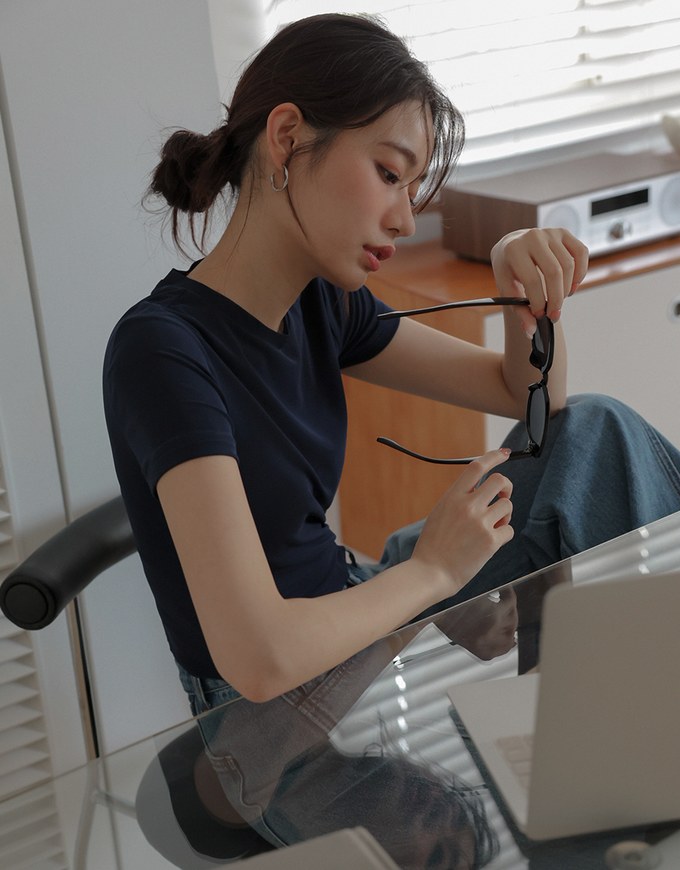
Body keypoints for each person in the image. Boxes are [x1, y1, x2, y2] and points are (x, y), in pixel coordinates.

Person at [103, 10, 680, 859]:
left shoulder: (320, 302)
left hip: (359, 605)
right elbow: (258, 657)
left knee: (598, 435)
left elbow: (531, 402)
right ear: (289, 138)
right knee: (467, 828)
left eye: (414, 189)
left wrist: (519, 282)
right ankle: (610, 778)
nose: (405, 219)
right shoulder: (164, 351)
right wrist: (434, 572)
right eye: (388, 174)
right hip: (263, 715)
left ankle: (623, 751)